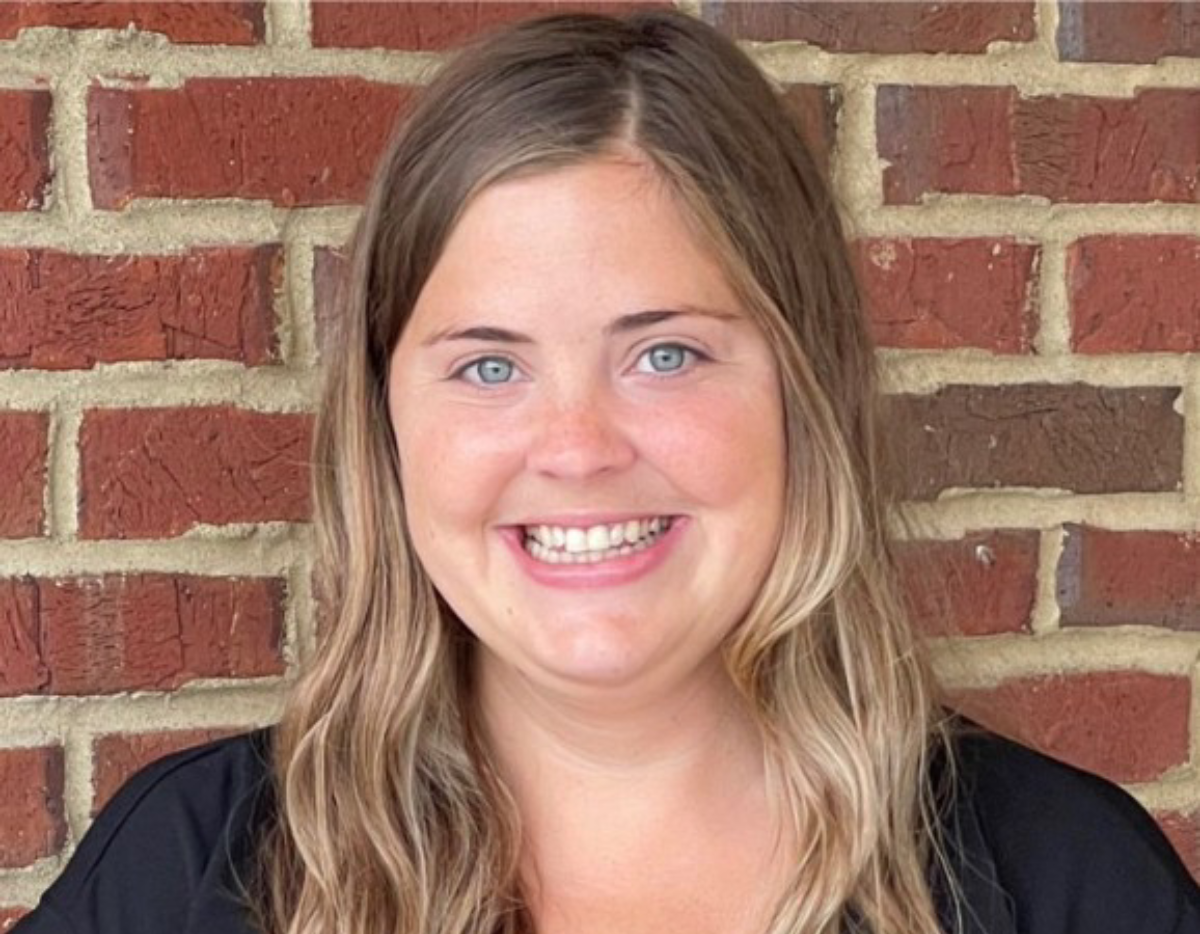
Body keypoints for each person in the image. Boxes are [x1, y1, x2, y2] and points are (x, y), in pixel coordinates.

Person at [13, 10, 1200, 934]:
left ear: (805, 389)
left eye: (665, 353)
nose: (577, 447)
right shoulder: (191, 872)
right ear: (386, 426)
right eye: (488, 367)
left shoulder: (1064, 882)